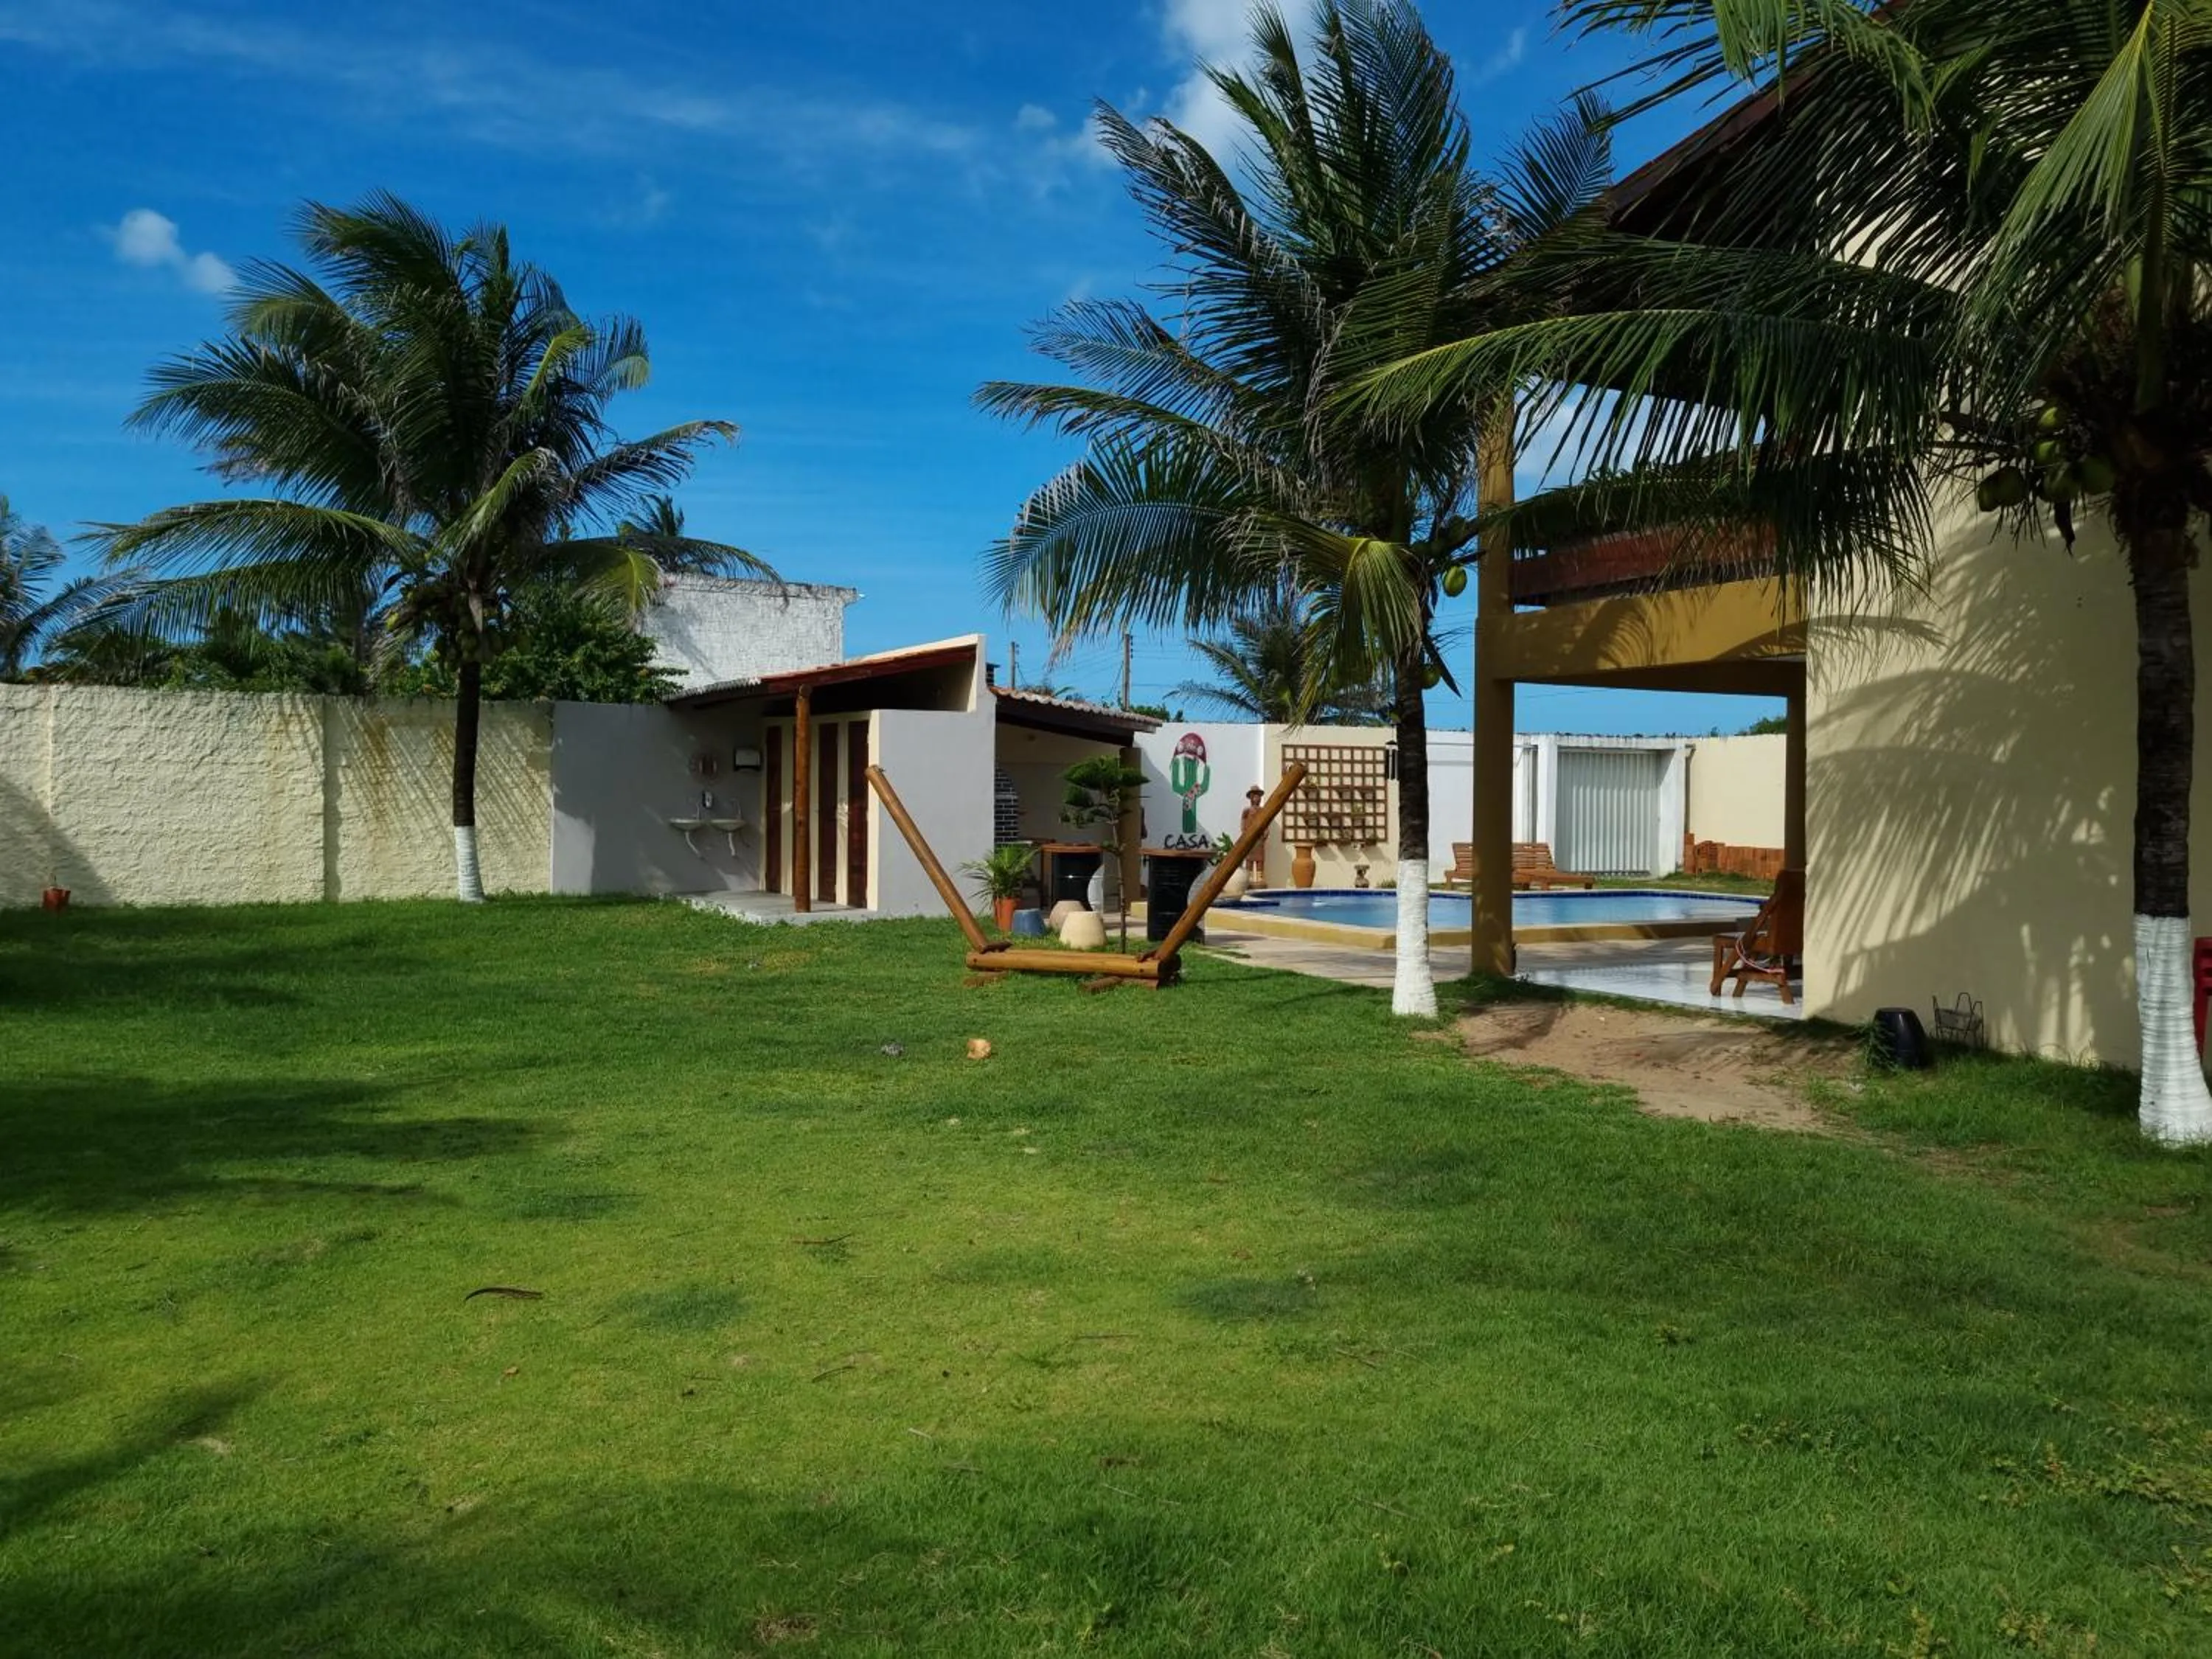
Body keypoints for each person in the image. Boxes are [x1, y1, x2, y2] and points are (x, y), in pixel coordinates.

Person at [1239, 785, 1267, 884]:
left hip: (1259, 838)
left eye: (1259, 796)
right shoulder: (1247, 811)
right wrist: (1243, 831)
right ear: (1251, 798)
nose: (1257, 798)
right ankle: (1249, 879)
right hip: (1250, 838)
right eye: (1255, 796)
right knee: (1249, 860)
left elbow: (1266, 822)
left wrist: (1266, 831)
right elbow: (1243, 821)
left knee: (1260, 859)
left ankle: (1260, 879)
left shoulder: (1262, 810)